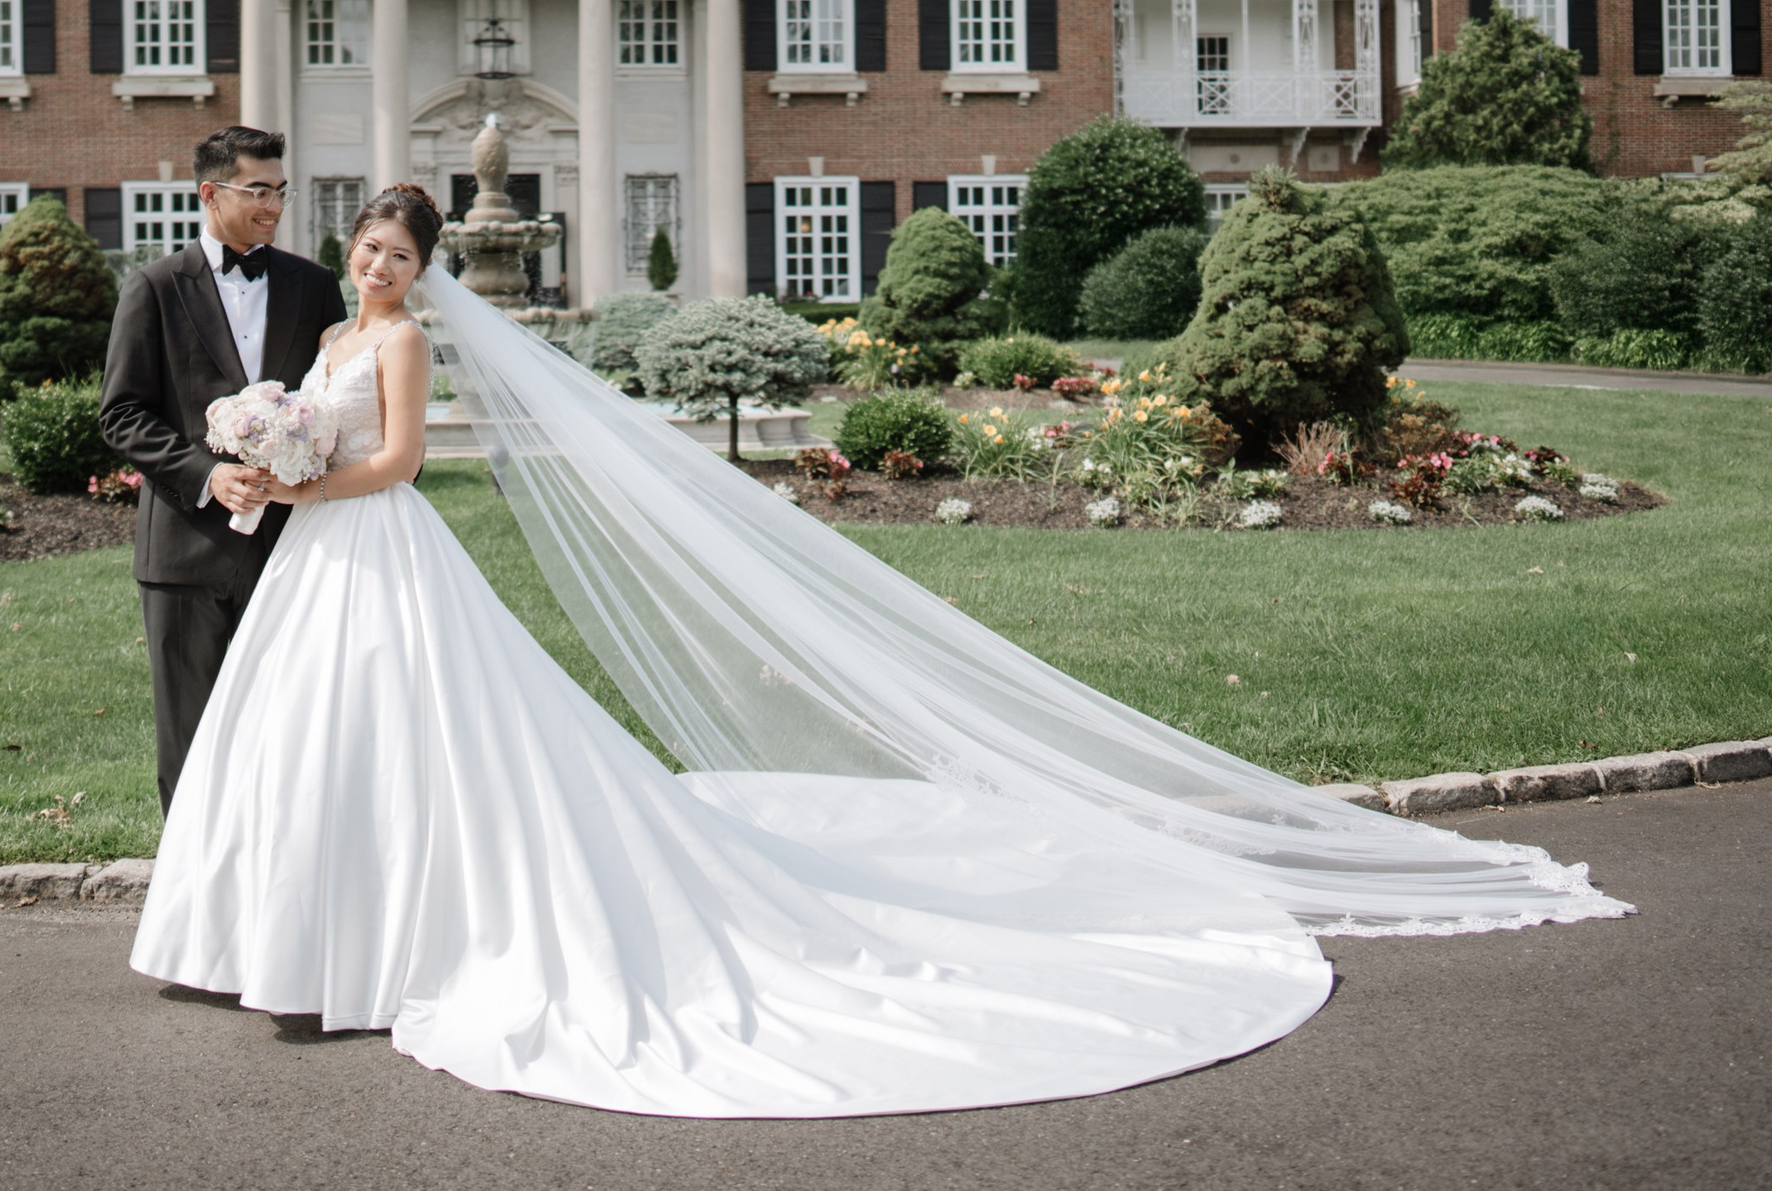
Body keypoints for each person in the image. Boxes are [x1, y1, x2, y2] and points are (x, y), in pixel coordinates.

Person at [130, 184, 1628, 1119]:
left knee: (428, 742)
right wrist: (254, 460)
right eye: (372, 247)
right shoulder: (324, 326)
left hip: (366, 541)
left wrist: (301, 477)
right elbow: (301, 425)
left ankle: (385, 945)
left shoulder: (396, 344)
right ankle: (291, 939)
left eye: (399, 254)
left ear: (429, 267)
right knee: (315, 747)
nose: (379, 269)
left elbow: (393, 465)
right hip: (309, 553)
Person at [99, 126, 345, 812]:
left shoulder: (315, 286)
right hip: (183, 554)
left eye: (279, 190)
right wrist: (207, 474)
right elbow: (121, 414)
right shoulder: (151, 287)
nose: (273, 204)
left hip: (291, 553)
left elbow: (331, 403)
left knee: (287, 737)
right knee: (190, 741)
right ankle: (191, 902)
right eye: (257, 189)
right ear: (211, 193)